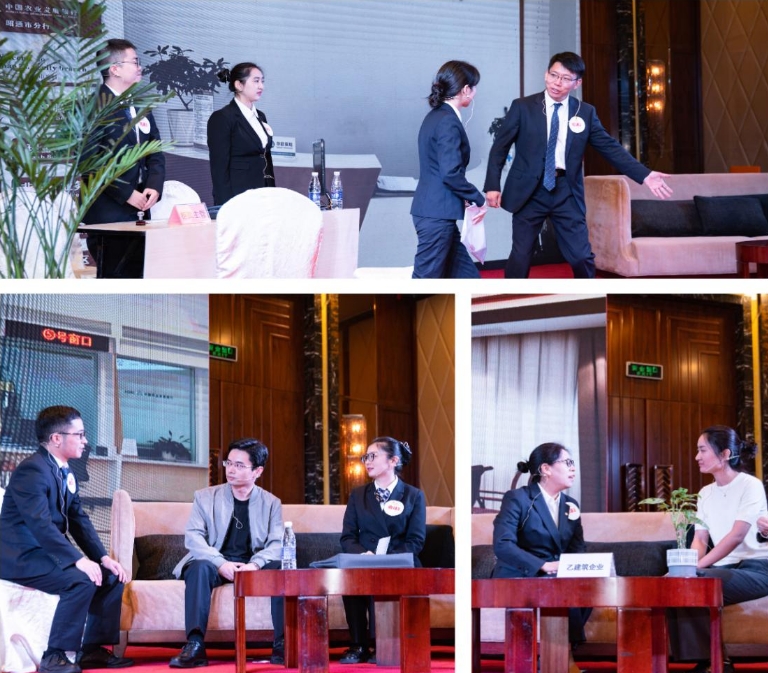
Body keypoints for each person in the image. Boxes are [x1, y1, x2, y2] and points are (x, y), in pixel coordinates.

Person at [484, 51, 672, 279]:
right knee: (521, 254)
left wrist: (644, 174)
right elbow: (500, 148)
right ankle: (511, 295)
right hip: (529, 192)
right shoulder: (523, 107)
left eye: (565, 78)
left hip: (566, 191)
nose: (557, 82)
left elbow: (610, 148)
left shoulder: (585, 112)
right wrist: (492, 185)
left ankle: (589, 294)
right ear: (546, 74)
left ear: (577, 83)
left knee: (581, 256)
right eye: (554, 75)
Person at [0, 406, 133, 673]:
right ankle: (55, 656)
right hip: (21, 557)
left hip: (45, 553)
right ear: (56, 438)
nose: (85, 441)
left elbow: (79, 519)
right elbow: (40, 525)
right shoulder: (32, 471)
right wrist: (77, 560)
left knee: (110, 576)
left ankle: (91, 649)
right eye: (80, 435)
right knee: (80, 580)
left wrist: (103, 558)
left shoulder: (64, 470)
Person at [169, 438, 284, 668]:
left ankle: (282, 644)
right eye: (228, 463)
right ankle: (195, 644)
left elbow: (277, 543)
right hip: (215, 564)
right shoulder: (204, 497)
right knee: (199, 567)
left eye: (239, 465)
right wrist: (220, 563)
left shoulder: (271, 503)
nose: (231, 470)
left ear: (258, 471)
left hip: (252, 566)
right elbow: (193, 537)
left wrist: (256, 564)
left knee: (282, 569)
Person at [668, 426, 768, 673]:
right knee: (676, 583)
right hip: (724, 569)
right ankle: (709, 661)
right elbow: (700, 539)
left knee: (696, 580)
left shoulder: (750, 485)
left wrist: (695, 568)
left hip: (758, 569)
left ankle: (714, 663)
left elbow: (736, 536)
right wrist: (686, 568)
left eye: (702, 450)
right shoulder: (705, 493)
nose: (697, 457)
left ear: (724, 454)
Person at [492, 442, 589, 673]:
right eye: (567, 462)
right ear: (546, 469)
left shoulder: (571, 505)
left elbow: (577, 548)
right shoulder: (518, 498)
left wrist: (576, 568)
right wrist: (543, 565)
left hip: (557, 573)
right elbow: (502, 544)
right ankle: (563, 660)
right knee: (559, 586)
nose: (573, 468)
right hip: (521, 570)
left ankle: (556, 656)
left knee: (589, 585)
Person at [338, 437, 426, 664]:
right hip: (364, 560)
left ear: (393, 461)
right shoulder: (358, 495)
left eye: (373, 456)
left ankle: (386, 643)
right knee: (351, 576)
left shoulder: (413, 495)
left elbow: (416, 540)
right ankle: (358, 645)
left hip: (399, 561)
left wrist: (388, 559)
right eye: (365, 457)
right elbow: (348, 537)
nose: (367, 461)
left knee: (390, 577)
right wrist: (363, 556)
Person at [82, 38, 165, 278]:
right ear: (115, 69)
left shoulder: (140, 104)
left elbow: (155, 150)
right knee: (116, 278)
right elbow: (91, 163)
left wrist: (153, 185)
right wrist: (127, 193)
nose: (140, 67)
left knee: (139, 275)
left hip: (140, 211)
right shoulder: (93, 107)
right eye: (135, 62)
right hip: (108, 212)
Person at [410, 60, 487, 279]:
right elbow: (450, 173)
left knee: (468, 278)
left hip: (437, 213)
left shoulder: (436, 116)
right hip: (436, 215)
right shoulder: (447, 121)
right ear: (465, 90)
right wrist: (477, 198)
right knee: (425, 281)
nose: (475, 93)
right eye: (474, 87)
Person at [207, 62, 275, 207]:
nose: (261, 86)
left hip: (264, 195)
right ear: (239, 85)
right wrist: (225, 205)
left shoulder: (261, 116)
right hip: (238, 197)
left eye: (262, 81)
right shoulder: (222, 117)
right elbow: (219, 169)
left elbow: (266, 159)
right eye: (256, 81)